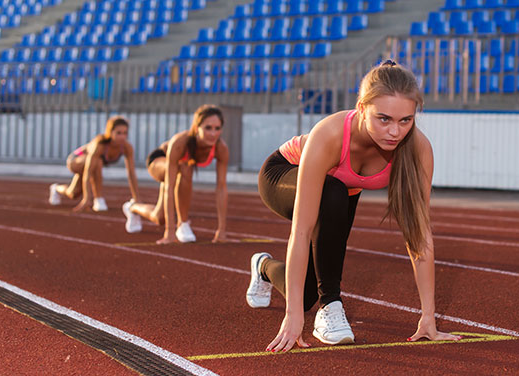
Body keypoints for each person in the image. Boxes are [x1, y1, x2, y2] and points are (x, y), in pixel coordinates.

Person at [245, 61, 462, 352]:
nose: (395, 132)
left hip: (338, 192)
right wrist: (292, 315)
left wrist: (428, 318)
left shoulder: (418, 149)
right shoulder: (330, 134)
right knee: (333, 192)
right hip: (284, 174)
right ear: (361, 108)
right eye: (383, 119)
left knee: (306, 291)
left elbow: (419, 235)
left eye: (405, 120)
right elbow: (301, 230)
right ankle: (331, 306)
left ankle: (263, 267)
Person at [121, 104, 229, 244]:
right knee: (185, 167)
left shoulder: (221, 148)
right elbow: (169, 187)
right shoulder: (180, 143)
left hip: (179, 169)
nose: (213, 133)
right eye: (208, 128)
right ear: (197, 128)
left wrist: (222, 230)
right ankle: (183, 224)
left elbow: (221, 188)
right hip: (160, 162)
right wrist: (169, 232)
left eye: (217, 128)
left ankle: (132, 207)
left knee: (159, 218)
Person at [49, 115, 140, 212]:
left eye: (125, 133)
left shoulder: (127, 147)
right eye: (118, 133)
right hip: (76, 161)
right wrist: (86, 199)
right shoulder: (100, 145)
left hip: (92, 166)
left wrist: (136, 198)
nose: (122, 137)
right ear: (110, 132)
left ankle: (55, 188)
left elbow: (131, 173)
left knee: (73, 193)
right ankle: (99, 199)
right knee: (98, 162)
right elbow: (88, 172)